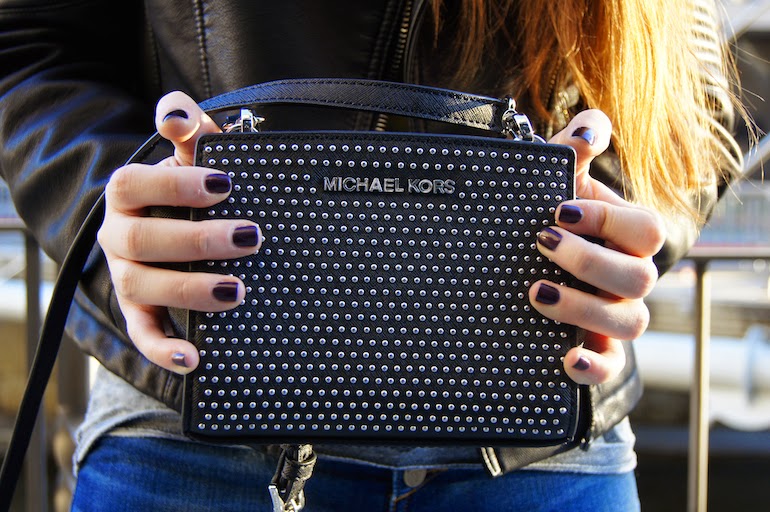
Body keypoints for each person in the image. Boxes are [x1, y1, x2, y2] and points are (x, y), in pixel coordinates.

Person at [0, 0, 745, 510]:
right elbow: (30, 45)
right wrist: (126, 221)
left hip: (532, 423)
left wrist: (610, 231)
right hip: (196, 405)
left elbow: (699, 103)